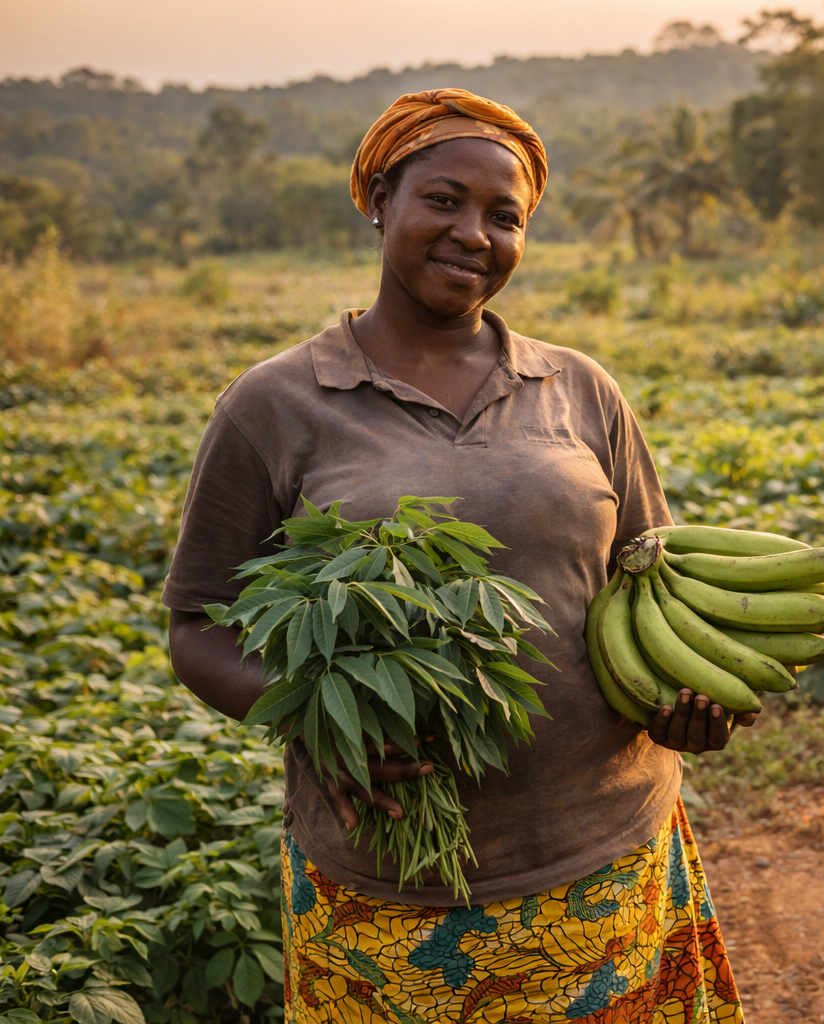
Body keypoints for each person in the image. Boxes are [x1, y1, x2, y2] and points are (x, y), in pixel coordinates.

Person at [164, 89, 746, 1022]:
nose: (474, 234)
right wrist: (322, 719)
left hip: (602, 854)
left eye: (504, 217)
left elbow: (652, 577)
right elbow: (195, 627)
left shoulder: (580, 387)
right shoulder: (273, 404)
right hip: (386, 882)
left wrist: (687, 701)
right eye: (443, 200)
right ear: (379, 200)